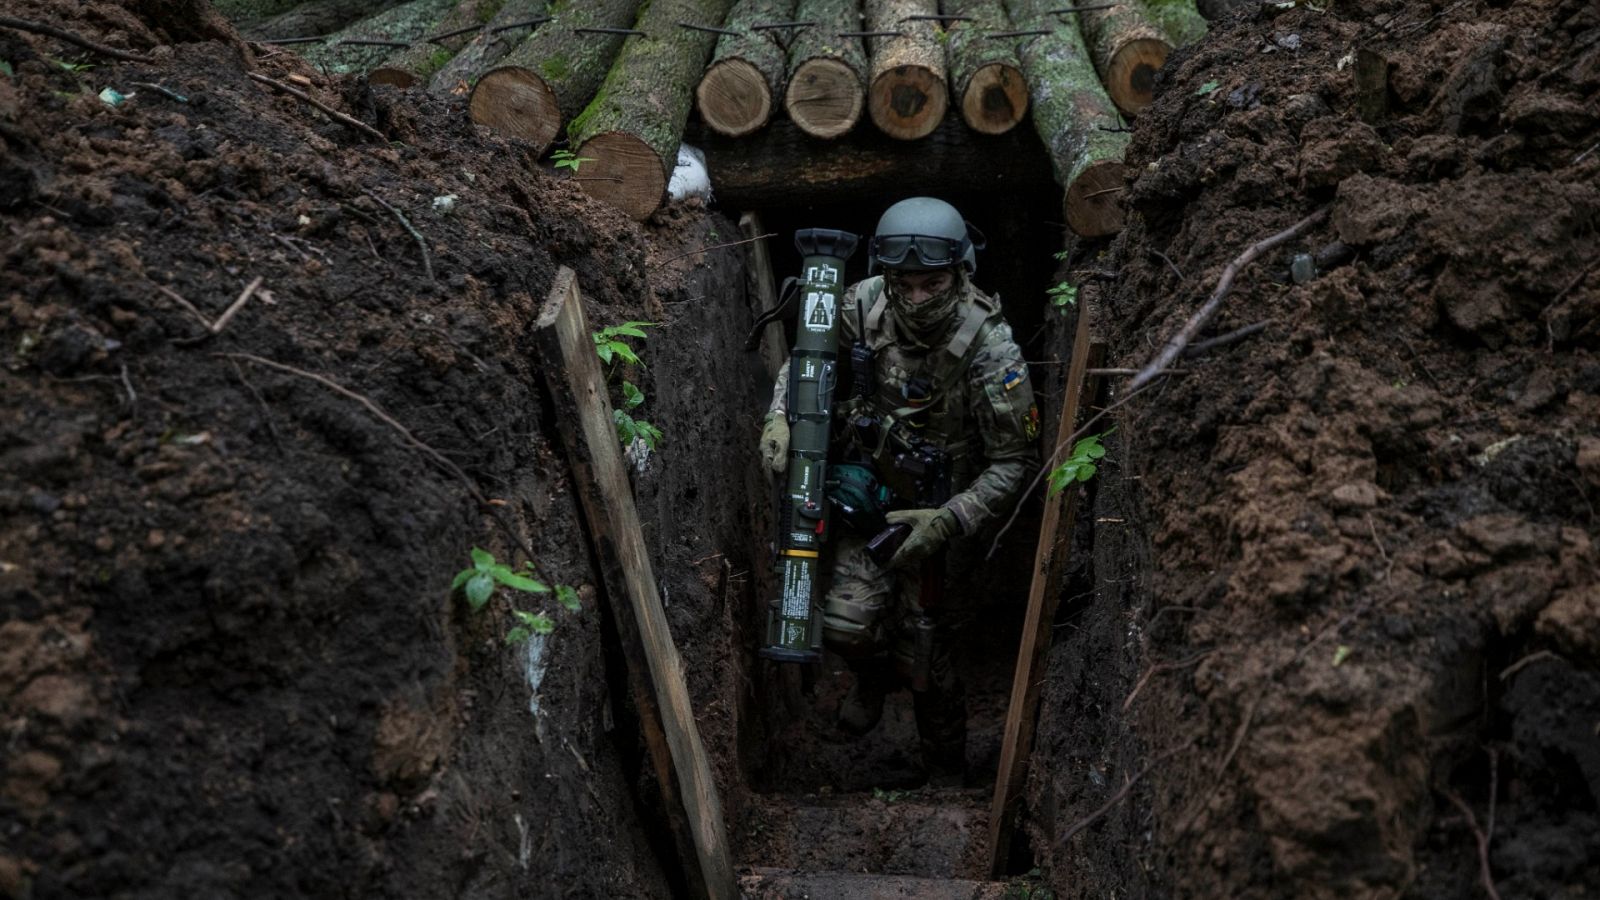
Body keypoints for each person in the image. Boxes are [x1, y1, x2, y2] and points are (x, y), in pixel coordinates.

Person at [757, 197, 1040, 785]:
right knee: (845, 625)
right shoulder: (864, 303)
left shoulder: (992, 350)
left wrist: (949, 520)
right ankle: (868, 680)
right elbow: (807, 360)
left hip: (945, 519)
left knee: (929, 660)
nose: (915, 297)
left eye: (931, 283)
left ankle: (944, 775)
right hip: (869, 500)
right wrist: (781, 414)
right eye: (904, 283)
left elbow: (1014, 463)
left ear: (961, 272)